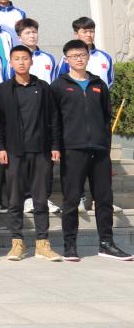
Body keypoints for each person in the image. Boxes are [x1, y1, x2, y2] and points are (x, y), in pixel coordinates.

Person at [53, 39, 131, 261]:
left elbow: (106, 118)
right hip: (73, 150)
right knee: (71, 200)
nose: (79, 59)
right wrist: (56, 146)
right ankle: (70, 245)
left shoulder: (99, 84)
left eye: (82, 55)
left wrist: (106, 145)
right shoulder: (58, 86)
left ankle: (106, 244)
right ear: (66, 59)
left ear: (88, 57)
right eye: (74, 56)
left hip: (99, 150)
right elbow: (54, 120)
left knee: (104, 198)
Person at [0, 45, 62, 262]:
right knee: (14, 199)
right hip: (14, 152)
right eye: (17, 59)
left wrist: (55, 145)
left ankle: (43, 243)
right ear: (11, 63)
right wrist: (1, 147)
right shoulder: (3, 89)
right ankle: (17, 242)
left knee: (40, 199)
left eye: (25, 58)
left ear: (31, 61)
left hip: (40, 151)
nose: (21, 62)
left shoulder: (43, 87)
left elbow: (53, 118)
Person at [73, 16, 114, 87]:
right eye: (85, 32)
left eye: (92, 31)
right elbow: (60, 82)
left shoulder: (105, 57)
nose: (89, 35)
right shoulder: (68, 58)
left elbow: (110, 82)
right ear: (76, 34)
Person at [15, 19, 57, 83]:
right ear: (19, 38)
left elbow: (53, 81)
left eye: (34, 32)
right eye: (27, 33)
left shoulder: (48, 58)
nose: (32, 36)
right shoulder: (14, 58)